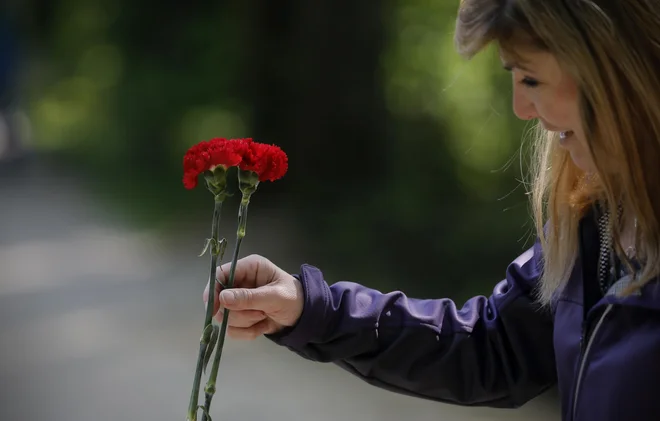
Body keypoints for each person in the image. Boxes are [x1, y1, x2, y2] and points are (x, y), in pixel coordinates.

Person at [203, 1, 660, 420]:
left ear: (610, 66)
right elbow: (493, 345)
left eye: (531, 78)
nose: (521, 107)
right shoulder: (598, 217)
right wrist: (311, 309)